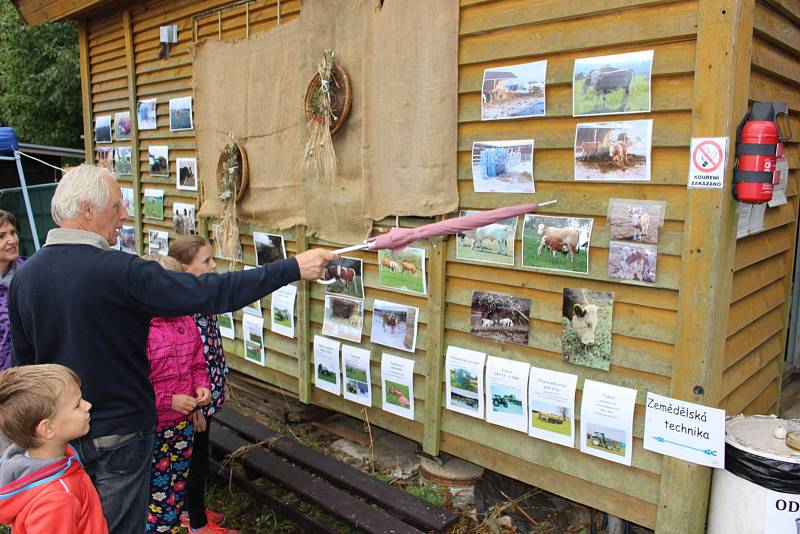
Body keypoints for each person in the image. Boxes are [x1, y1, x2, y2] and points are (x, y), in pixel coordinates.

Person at [8, 163, 336, 534]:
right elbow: (210, 292)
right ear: (87, 209)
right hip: (121, 436)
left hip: (60, 441)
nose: (124, 215)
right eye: (117, 206)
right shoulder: (119, 271)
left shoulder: (25, 276)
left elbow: (25, 370)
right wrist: (291, 267)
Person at [168, 235, 237, 533]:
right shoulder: (180, 309)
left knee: (198, 455)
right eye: (206, 261)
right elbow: (183, 364)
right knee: (195, 461)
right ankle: (197, 522)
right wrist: (194, 408)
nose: (214, 265)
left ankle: (191, 507)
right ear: (184, 269)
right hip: (194, 402)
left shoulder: (199, 298)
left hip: (205, 396)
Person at [142, 254, 211, 534]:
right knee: (158, 493)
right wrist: (168, 400)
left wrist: (201, 387)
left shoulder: (187, 322)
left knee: (178, 484)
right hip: (152, 427)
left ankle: (170, 526)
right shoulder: (139, 328)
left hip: (182, 426)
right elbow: (135, 383)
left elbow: (197, 363)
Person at [0, 364, 107, 533]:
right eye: (77, 405)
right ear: (48, 429)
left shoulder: (56, 457)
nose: (87, 406)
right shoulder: (56, 499)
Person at [0, 210, 24, 371]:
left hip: (37, 377)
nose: (12, 240)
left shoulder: (31, 272)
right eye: (2, 236)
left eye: (12, 233)